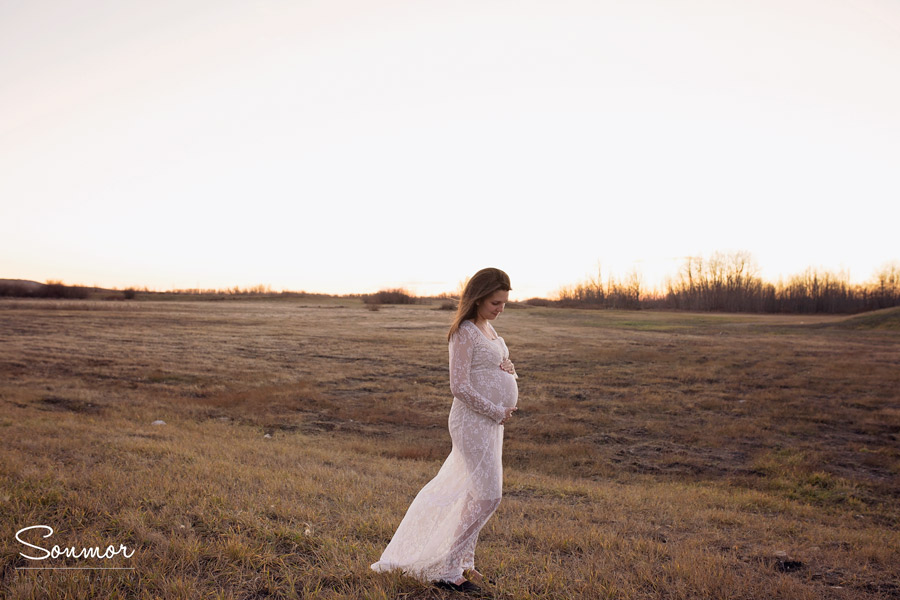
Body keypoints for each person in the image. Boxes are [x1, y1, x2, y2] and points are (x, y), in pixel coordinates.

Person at [371, 267, 519, 593]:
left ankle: (464, 562)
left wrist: (508, 368)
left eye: (504, 303)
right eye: (495, 303)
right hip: (472, 422)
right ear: (478, 298)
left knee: (475, 495)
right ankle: (447, 569)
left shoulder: (487, 326)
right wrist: (496, 410)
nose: (500, 309)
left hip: (490, 423)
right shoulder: (464, 332)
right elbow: (459, 386)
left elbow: (490, 366)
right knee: (488, 496)